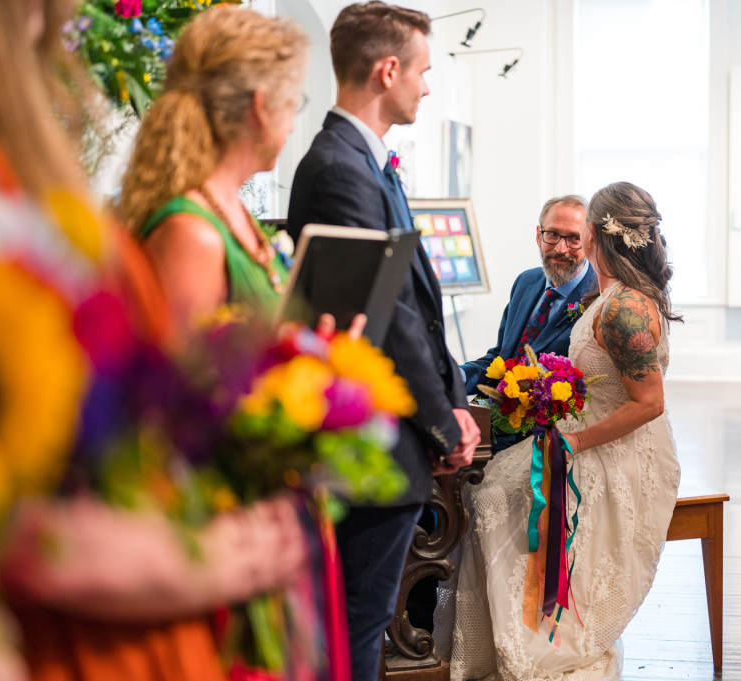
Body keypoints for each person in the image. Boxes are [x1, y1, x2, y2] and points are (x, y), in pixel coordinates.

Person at [0, 3, 307, 680]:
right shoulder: (178, 230)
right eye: (296, 99)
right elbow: (165, 415)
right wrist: (188, 554)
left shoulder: (38, 195)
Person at [285, 3, 480, 679]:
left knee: (363, 628)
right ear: (387, 69)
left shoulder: (369, 164)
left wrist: (454, 395)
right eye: (422, 71)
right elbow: (391, 315)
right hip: (374, 437)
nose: (427, 87)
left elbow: (421, 301)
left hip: (397, 432)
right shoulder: (339, 166)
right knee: (354, 628)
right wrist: (441, 418)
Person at [438, 181, 682, 680]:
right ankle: (518, 628)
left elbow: (650, 403)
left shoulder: (624, 308)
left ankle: (539, 639)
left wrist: (573, 443)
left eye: (579, 232)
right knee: (487, 496)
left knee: (489, 500)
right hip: (582, 432)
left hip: (612, 450)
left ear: (593, 235)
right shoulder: (608, 294)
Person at [117, 6, 308, 331]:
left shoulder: (229, 209)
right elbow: (181, 379)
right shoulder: (192, 234)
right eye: (293, 103)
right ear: (261, 108)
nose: (292, 125)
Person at [460, 194, 598, 451]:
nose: (560, 248)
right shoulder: (526, 282)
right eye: (553, 235)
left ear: (590, 242)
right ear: (538, 235)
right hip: (498, 415)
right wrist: (454, 376)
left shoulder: (599, 298)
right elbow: (500, 358)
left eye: (573, 238)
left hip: (550, 436)